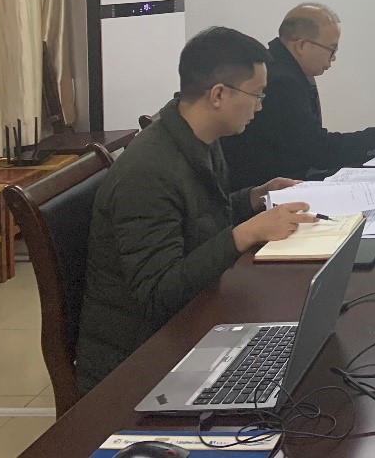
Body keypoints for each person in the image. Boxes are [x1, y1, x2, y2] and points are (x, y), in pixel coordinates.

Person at [75, 27, 317, 393]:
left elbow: (198, 218)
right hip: (139, 358)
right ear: (218, 94)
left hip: (185, 323)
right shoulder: (147, 173)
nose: (260, 106)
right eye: (257, 94)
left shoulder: (197, 137)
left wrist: (254, 197)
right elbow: (158, 294)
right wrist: (246, 233)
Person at [221, 3, 375, 189]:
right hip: (268, 192)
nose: (333, 58)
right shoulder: (282, 81)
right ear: (302, 45)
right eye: (331, 49)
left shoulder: (284, 67)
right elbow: (320, 150)